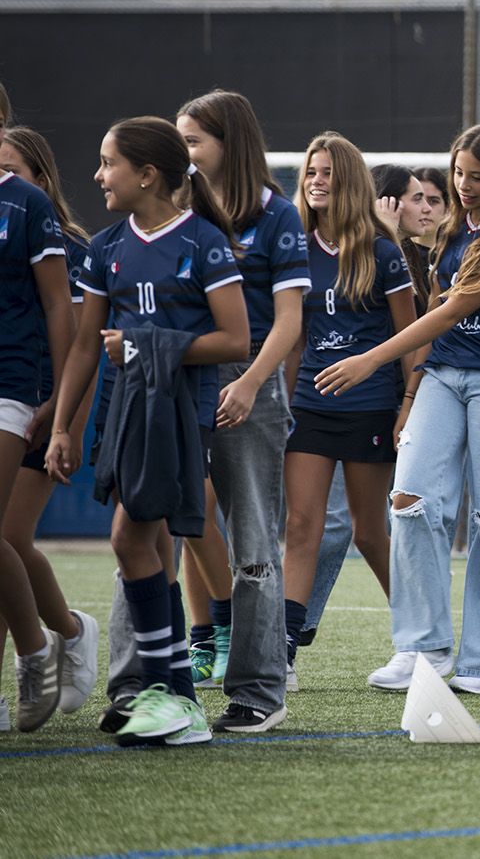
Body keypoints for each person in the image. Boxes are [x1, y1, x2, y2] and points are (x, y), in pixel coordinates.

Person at [316, 123, 480, 695]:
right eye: (459, 175)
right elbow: (413, 263)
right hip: (442, 376)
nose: (464, 186)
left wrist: (370, 361)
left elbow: (448, 313)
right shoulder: (450, 232)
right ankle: (421, 648)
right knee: (409, 501)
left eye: (477, 176)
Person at [47, 116, 250, 745]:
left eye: (108, 163)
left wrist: (140, 345)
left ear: (147, 174)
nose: (98, 175)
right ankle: (169, 692)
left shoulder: (205, 242)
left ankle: (174, 696)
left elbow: (236, 339)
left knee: (129, 536)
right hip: (130, 413)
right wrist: (61, 427)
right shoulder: (107, 247)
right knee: (150, 544)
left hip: (180, 416)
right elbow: (85, 344)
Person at [176, 89, 309, 731]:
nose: (185, 154)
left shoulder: (277, 215)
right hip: (182, 379)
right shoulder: (180, 206)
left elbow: (288, 321)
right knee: (157, 522)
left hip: (248, 387)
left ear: (231, 142)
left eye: (195, 141)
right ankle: (154, 681)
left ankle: (260, 690)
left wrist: (253, 383)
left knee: (254, 542)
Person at [282, 134, 419, 684]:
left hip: (370, 409)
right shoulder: (292, 245)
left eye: (328, 174)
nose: (317, 181)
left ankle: (419, 641)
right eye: (310, 172)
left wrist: (408, 404)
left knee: (368, 531)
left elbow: (410, 336)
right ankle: (282, 655)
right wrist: (282, 402)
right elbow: (292, 337)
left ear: (350, 183)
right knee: (300, 526)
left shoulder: (383, 253)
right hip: (309, 408)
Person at [0, 127, 100, 723]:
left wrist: (68, 423)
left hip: (40, 407)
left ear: (39, 178)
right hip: (23, 406)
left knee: (10, 540)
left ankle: (60, 635)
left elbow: (82, 345)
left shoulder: (75, 249)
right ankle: (51, 643)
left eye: (13, 167)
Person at [372, 163, 436, 318]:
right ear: (389, 203)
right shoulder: (364, 256)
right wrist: (389, 235)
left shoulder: (422, 257)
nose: (427, 209)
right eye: (417, 199)